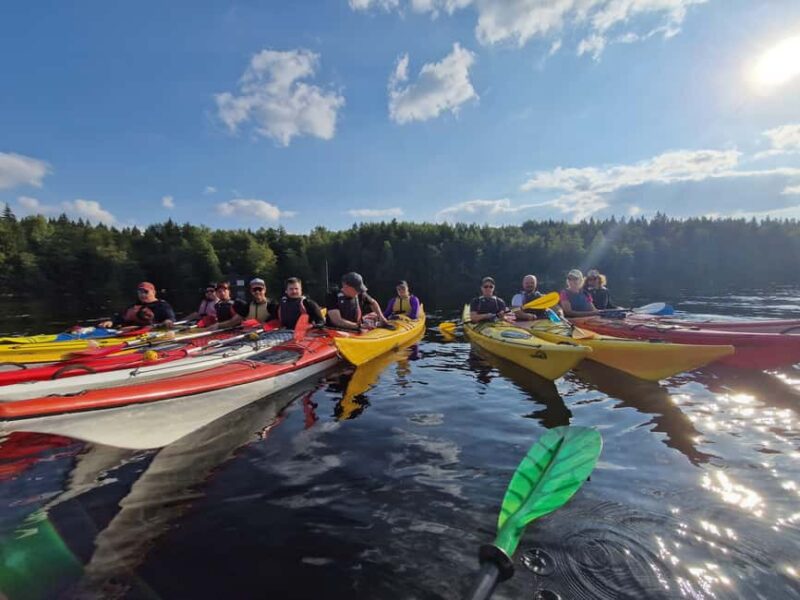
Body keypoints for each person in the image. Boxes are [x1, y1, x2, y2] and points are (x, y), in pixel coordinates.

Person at [99, 282, 175, 328]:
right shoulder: (134, 306)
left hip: (153, 331)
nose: (142, 295)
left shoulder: (162, 305)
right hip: (132, 332)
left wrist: (167, 321)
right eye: (140, 292)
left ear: (153, 292)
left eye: (146, 292)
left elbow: (170, 318)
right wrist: (111, 322)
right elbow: (120, 318)